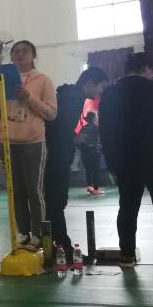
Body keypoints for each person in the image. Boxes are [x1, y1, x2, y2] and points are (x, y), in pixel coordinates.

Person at [99, 52, 153, 268]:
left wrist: (112, 162)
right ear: (146, 68)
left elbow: (106, 131)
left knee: (127, 207)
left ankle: (126, 256)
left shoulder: (110, 93)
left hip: (126, 158)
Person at [0, 40, 56, 251]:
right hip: (6, 142)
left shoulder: (43, 80)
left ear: (33, 55)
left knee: (34, 191)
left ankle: (38, 235)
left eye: (24, 51)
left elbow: (51, 113)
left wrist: (29, 98)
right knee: (15, 192)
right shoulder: (1, 80)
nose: (19, 54)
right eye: (16, 52)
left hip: (32, 142)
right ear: (11, 56)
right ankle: (24, 233)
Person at [41, 66, 109, 255]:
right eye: (100, 87)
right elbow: (58, 127)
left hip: (57, 155)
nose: (99, 93)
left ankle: (55, 244)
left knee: (55, 201)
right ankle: (61, 245)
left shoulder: (70, 95)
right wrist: (74, 137)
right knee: (56, 201)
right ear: (90, 83)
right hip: (55, 157)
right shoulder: (72, 98)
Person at [78, 112, 104, 195]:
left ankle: (89, 187)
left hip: (85, 152)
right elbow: (99, 140)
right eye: (96, 117)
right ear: (93, 118)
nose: (97, 118)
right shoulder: (96, 128)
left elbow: (80, 140)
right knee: (96, 170)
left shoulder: (83, 128)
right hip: (94, 152)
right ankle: (95, 189)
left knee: (89, 170)